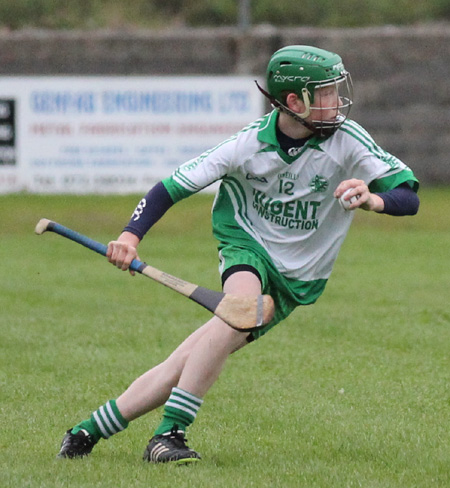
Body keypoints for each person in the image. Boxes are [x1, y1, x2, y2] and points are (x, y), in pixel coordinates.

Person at [57, 45, 419, 464]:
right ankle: (168, 435)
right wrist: (129, 237)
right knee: (241, 310)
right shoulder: (247, 144)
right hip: (245, 240)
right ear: (293, 103)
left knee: (186, 360)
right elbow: (169, 188)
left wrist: (374, 199)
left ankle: (87, 430)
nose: (336, 101)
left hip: (299, 277)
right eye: (325, 93)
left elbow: (408, 196)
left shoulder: (348, 140)